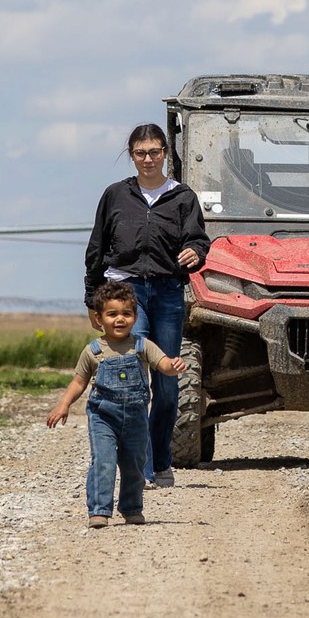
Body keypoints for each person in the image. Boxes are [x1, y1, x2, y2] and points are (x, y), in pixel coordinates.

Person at [83, 122, 209, 487]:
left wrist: (195, 252)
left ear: (166, 154)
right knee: (134, 372)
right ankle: (143, 467)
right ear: (131, 155)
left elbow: (199, 241)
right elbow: (96, 247)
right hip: (125, 291)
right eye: (141, 153)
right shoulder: (115, 195)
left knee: (167, 379)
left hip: (168, 292)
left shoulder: (183, 197)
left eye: (155, 152)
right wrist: (93, 298)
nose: (148, 159)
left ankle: (162, 459)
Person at [47, 282, 189, 527]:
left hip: (135, 418)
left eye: (126, 313)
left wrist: (172, 366)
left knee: (135, 464)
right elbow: (79, 382)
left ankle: (132, 508)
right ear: (99, 318)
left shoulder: (142, 346)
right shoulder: (93, 351)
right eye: (112, 314)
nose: (120, 319)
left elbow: (162, 363)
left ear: (135, 317)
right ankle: (99, 510)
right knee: (103, 462)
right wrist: (64, 404)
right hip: (103, 416)